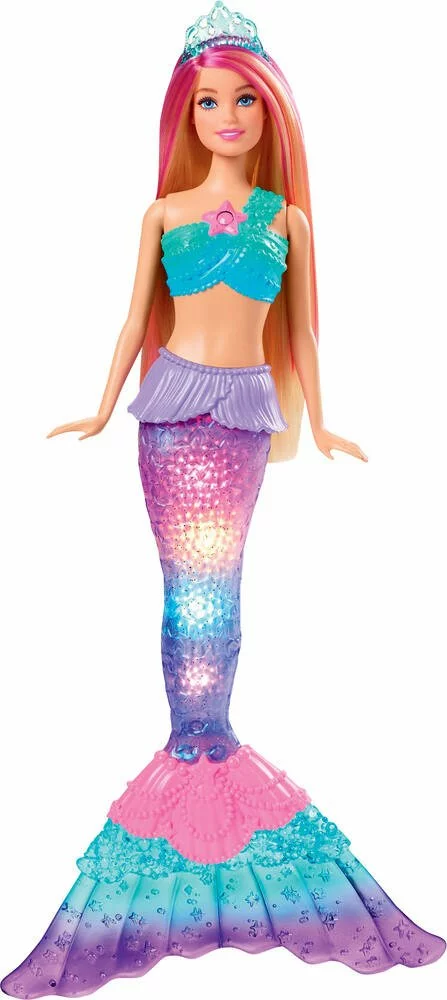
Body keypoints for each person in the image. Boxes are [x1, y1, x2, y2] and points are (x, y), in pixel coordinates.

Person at [1, 2, 445, 996]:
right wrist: (98, 405)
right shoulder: (161, 214)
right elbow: (134, 321)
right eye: (210, 101)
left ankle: (209, 748)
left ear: (270, 111)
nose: (228, 116)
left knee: (222, 591)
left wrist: (321, 424)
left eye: (244, 100)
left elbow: (302, 333)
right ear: (187, 111)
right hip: (168, 417)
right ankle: (191, 748)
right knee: (183, 592)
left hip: (243, 417)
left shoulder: (288, 221)